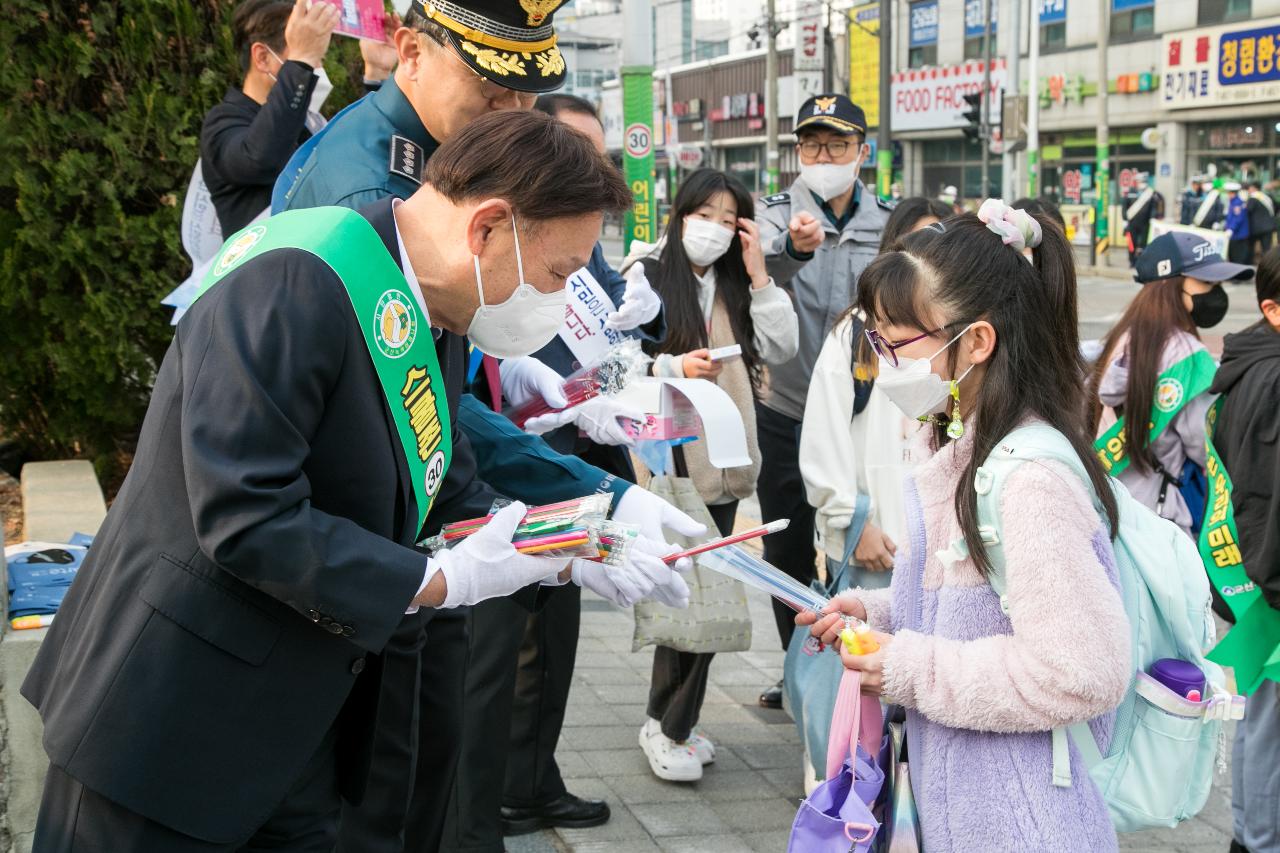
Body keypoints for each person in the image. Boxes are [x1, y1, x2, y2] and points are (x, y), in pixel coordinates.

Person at [22, 110, 691, 853]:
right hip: (168, 730)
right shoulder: (294, 279)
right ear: (489, 228)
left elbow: (445, 481)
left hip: (294, 727)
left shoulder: (427, 301)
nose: (561, 300)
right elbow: (247, 517)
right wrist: (440, 581)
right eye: (559, 274)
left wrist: (576, 541)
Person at [272, 4, 705, 848]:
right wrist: (590, 501)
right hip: (357, 559)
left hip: (405, 528)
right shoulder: (379, 191)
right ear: (410, 52)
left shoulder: (430, 161)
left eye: (527, 97)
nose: (512, 117)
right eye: (492, 88)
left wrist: (580, 519)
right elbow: (421, 411)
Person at [800, 200, 1131, 853]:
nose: (882, 359)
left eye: (896, 342)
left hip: (1026, 820)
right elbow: (971, 611)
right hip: (967, 805)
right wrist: (878, 614)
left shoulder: (1028, 480)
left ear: (976, 341)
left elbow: (1081, 670)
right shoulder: (955, 445)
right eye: (877, 340)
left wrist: (905, 666)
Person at [455, 93, 666, 846]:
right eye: (572, 146)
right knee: (492, 665)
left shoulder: (574, 240)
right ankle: (483, 810)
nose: (588, 166)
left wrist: (612, 395)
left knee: (554, 651)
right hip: (496, 480)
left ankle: (530, 779)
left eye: (598, 152)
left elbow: (613, 340)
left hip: (572, 456)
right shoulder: (459, 282)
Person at [622, 167, 798, 781]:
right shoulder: (644, 273)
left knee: (708, 593)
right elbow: (616, 362)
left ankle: (675, 724)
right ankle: (664, 727)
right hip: (669, 460)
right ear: (682, 212)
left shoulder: (735, 286)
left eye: (731, 221)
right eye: (707, 216)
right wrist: (670, 365)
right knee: (684, 596)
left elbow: (781, 347)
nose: (716, 231)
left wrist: (757, 272)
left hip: (723, 465)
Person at [752, 93, 892, 709]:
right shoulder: (773, 216)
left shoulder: (887, 224)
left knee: (856, 545)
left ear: (863, 153)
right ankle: (798, 669)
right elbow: (753, 286)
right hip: (785, 406)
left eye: (838, 145)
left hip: (863, 415)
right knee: (786, 547)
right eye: (812, 145)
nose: (824, 156)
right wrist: (794, 251)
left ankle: (856, 666)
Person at [799, 197, 951, 601]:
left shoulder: (960, 338)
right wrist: (851, 523)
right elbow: (822, 436)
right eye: (914, 246)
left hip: (941, 555)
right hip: (874, 547)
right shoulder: (855, 333)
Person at [1087, 231, 1254, 535]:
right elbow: (1203, 445)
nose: (1216, 293)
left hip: (1112, 502)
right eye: (1206, 283)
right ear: (1171, 285)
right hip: (1165, 515)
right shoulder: (1186, 354)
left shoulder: (1124, 338)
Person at [200, 0, 398, 236]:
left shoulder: (306, 122)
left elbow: (359, 154)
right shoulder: (223, 122)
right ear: (262, 57)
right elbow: (260, 158)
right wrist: (301, 60)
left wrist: (377, 73)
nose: (315, 68)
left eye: (317, 57)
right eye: (309, 53)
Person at [1209, 247, 1280, 853]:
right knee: (1269, 726)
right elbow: (1262, 493)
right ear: (1273, 310)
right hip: (1273, 584)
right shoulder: (1273, 379)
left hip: (1261, 578)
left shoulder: (1253, 364)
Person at [1123, 172, 1164, 267]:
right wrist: (1124, 220)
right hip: (1131, 223)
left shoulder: (1151, 194)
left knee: (1143, 244)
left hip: (1145, 223)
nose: (1142, 183)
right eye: (1140, 181)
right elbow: (1124, 207)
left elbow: (1154, 208)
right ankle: (1131, 261)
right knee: (1131, 243)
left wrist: (1152, 219)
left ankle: (1141, 261)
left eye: (1144, 181)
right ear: (1136, 182)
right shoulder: (1130, 193)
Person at [1248, 181, 1276, 261]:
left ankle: (1250, 264)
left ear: (1253, 188)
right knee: (1266, 249)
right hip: (1268, 227)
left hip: (1256, 228)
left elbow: (1248, 210)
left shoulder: (1252, 198)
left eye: (1249, 188)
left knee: (1251, 247)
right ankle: (1267, 265)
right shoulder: (1267, 197)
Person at [1226, 181, 1252, 264]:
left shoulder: (1238, 203)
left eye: (1229, 193)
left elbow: (1238, 218)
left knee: (1238, 256)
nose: (1228, 195)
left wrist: (1231, 229)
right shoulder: (1233, 202)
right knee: (1233, 255)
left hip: (1239, 234)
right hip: (1234, 234)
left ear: (1233, 193)